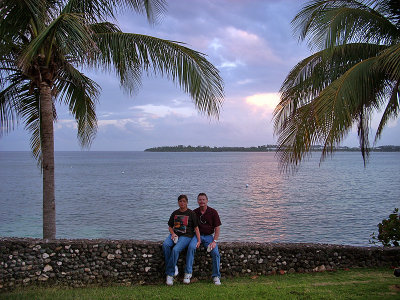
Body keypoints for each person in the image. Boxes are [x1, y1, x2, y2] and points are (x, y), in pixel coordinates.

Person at [162, 194, 200, 286]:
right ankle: (173, 266)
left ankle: (170, 274)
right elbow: (170, 227)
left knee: (175, 249)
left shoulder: (191, 213)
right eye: (180, 201)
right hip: (175, 234)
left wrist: (199, 240)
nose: (182, 203)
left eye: (184, 201)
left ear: (187, 202)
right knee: (165, 245)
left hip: (186, 236)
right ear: (178, 202)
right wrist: (173, 233)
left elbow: (196, 228)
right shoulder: (175, 213)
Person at [186, 192, 222, 285]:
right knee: (191, 248)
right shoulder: (194, 212)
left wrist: (214, 241)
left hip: (209, 236)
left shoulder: (213, 212)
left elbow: (217, 228)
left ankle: (216, 276)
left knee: (215, 253)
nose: (202, 201)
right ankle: (188, 274)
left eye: (203, 199)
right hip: (197, 236)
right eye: (200, 200)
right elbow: (190, 227)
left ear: (207, 200)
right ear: (197, 201)